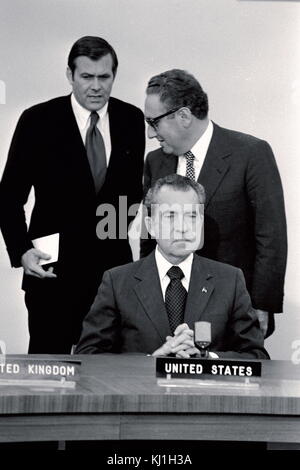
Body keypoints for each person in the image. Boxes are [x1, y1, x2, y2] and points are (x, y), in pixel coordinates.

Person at [0, 36, 145, 353]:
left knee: (110, 379)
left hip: (113, 276)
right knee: (48, 377)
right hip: (52, 274)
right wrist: (22, 250)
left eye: (104, 77)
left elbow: (133, 197)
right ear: (70, 75)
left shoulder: (131, 120)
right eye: (86, 77)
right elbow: (8, 196)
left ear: (114, 76)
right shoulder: (37, 120)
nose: (96, 86)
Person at [141, 69, 287, 338]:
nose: (151, 134)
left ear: (183, 116)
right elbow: (149, 238)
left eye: (154, 122)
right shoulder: (155, 163)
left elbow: (271, 236)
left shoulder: (251, 154)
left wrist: (262, 305)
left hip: (232, 310)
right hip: (170, 307)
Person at [75, 174, 268, 359]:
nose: (182, 227)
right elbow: (88, 354)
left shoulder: (230, 280)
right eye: (170, 216)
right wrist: (153, 359)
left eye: (192, 216)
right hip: (142, 391)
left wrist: (207, 357)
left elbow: (256, 356)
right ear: (150, 226)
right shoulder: (117, 282)